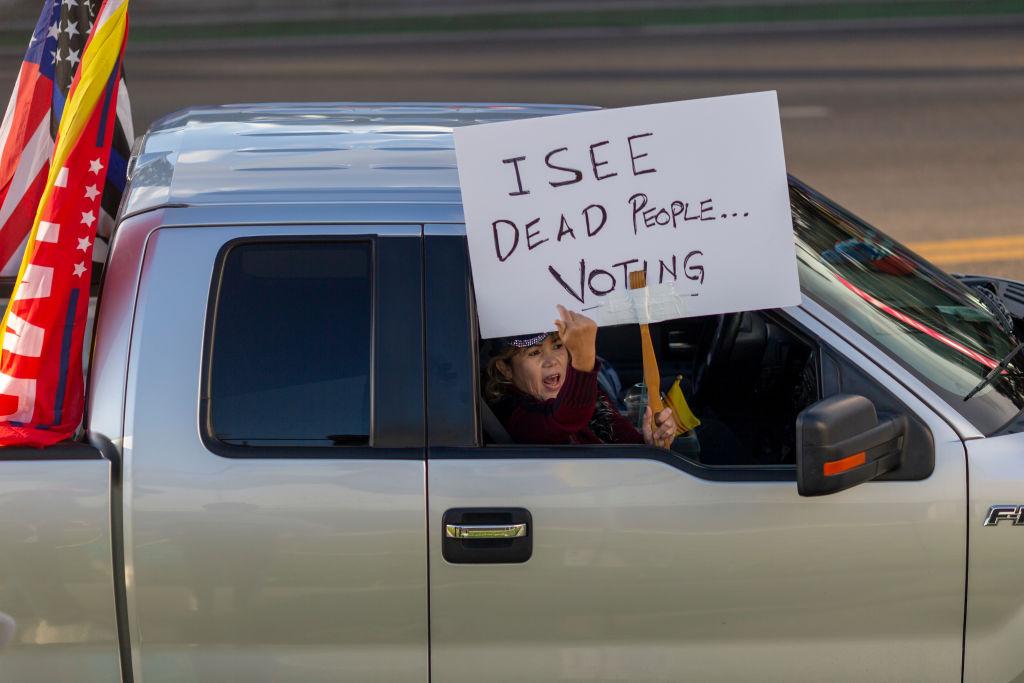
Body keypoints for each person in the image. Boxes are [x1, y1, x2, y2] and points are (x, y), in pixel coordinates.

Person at [484, 305, 677, 447]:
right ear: (505, 369)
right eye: (534, 353)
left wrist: (649, 444)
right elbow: (565, 417)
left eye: (558, 346)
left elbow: (622, 437)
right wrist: (584, 358)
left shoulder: (582, 393)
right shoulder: (517, 416)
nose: (551, 361)